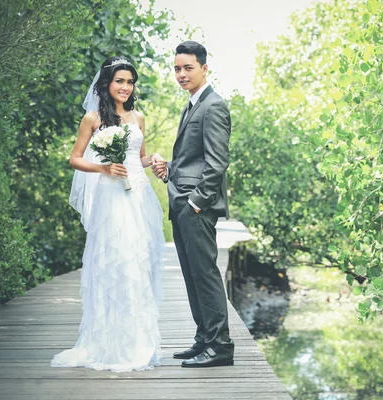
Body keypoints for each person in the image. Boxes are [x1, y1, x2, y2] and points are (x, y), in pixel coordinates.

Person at [51, 56, 167, 372]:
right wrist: (103, 167)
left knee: (138, 262)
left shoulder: (138, 118)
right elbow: (75, 159)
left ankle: (137, 343)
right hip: (111, 196)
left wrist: (155, 158)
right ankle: (107, 343)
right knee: (115, 260)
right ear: (107, 83)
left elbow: (137, 158)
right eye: (120, 81)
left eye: (130, 82)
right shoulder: (91, 118)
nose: (126, 87)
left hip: (138, 195)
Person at [152, 41, 234, 368]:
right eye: (177, 68)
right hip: (183, 202)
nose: (181, 74)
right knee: (192, 276)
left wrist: (196, 203)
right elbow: (193, 161)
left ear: (204, 68)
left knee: (206, 276)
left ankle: (220, 346)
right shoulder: (191, 104)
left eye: (188, 68)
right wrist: (169, 169)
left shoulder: (213, 106)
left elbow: (217, 163)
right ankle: (204, 339)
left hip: (195, 207)